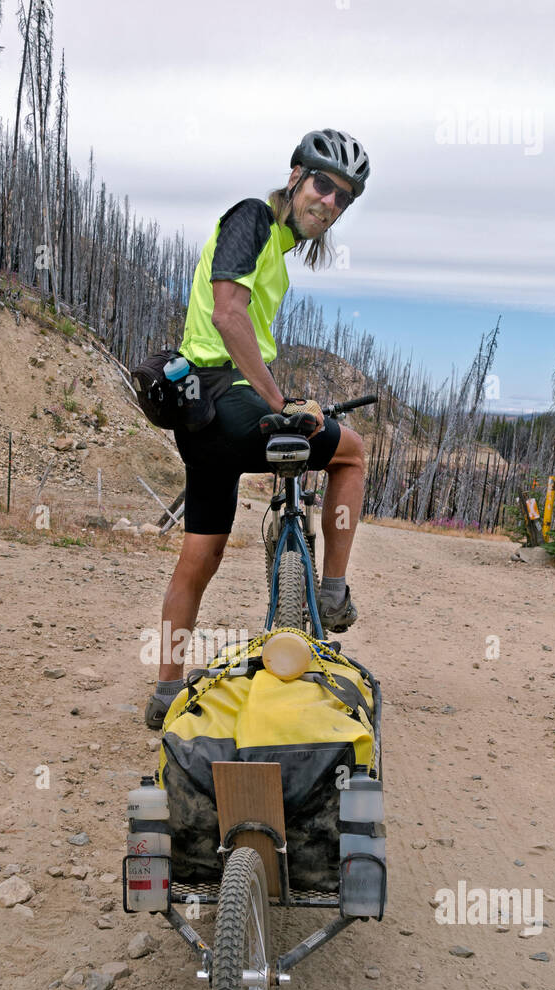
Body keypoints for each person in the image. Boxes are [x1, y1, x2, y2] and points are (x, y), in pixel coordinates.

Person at [145, 128, 371, 730]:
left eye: (343, 198)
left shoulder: (278, 248)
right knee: (351, 454)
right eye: (323, 184)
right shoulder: (251, 218)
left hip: (200, 414)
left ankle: (166, 691)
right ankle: (332, 591)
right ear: (295, 174)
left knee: (200, 554)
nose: (329, 202)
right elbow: (227, 315)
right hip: (231, 398)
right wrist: (280, 400)